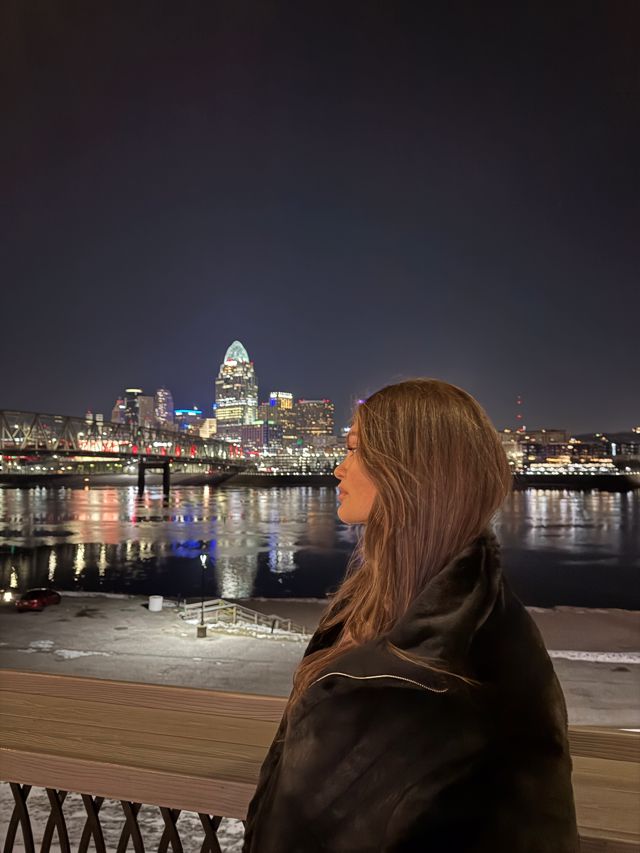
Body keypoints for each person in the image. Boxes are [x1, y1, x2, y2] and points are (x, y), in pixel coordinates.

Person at [243, 379, 579, 852]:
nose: (339, 467)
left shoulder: (443, 669)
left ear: (408, 470)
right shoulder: (398, 608)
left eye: (355, 449)